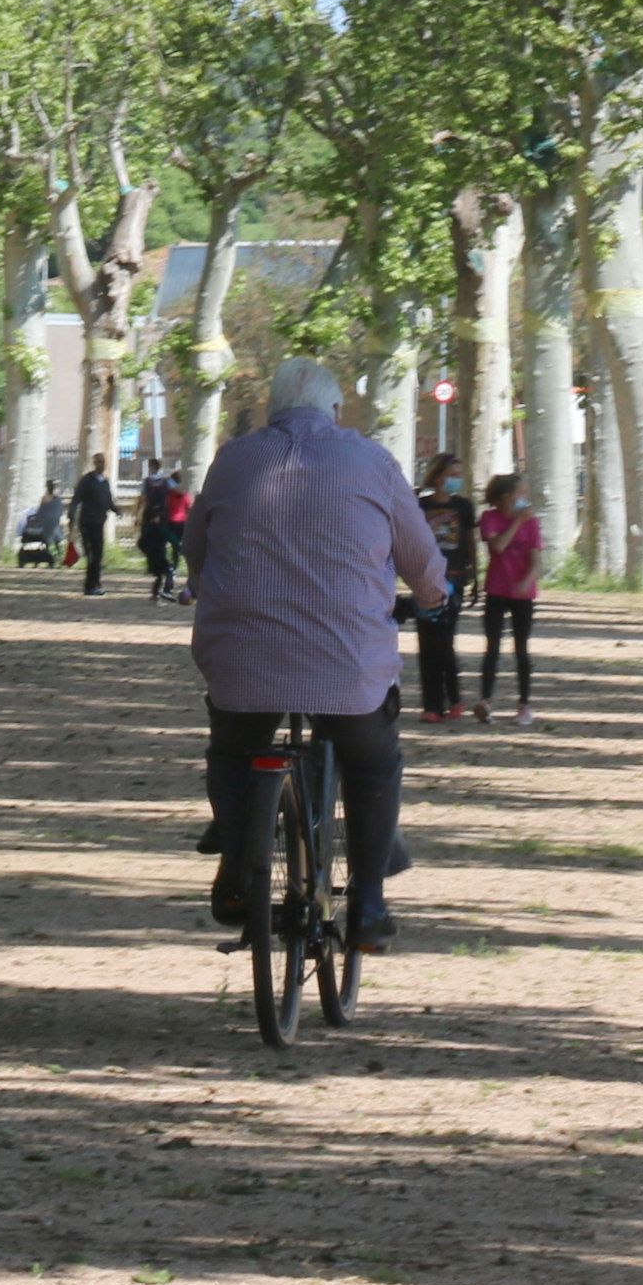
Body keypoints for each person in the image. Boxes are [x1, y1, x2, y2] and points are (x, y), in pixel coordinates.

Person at [188, 357, 448, 955]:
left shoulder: (233, 460)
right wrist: (435, 598)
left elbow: (197, 552)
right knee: (372, 763)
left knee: (232, 749)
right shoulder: (373, 462)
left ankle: (234, 868)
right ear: (336, 411)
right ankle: (370, 905)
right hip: (347, 666)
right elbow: (422, 563)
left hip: (243, 662)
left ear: (274, 411)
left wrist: (210, 588)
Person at [409, 453, 476, 720]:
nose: (456, 480)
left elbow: (470, 541)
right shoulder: (419, 506)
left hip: (455, 577)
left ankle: (454, 698)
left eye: (459, 475)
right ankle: (431, 705)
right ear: (437, 476)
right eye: (452, 475)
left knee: (445, 639)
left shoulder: (464, 506)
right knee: (426, 640)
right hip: (425, 579)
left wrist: (474, 575)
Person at [474, 473, 544, 726]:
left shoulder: (532, 523)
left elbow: (537, 560)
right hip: (496, 591)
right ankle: (486, 701)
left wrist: (527, 580)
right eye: (521, 494)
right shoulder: (489, 518)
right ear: (506, 496)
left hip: (522, 595)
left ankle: (524, 704)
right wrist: (516, 522)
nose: (525, 499)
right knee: (492, 647)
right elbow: (498, 547)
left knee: (521, 648)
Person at [136, 463, 192, 601]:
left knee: (159, 567)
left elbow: (140, 543)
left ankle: (156, 590)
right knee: (167, 566)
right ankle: (166, 588)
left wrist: (137, 515)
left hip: (155, 538)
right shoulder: (168, 485)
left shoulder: (148, 484)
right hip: (168, 529)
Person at [72, 450, 118, 596]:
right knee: (90, 554)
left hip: (99, 523)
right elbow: (76, 499)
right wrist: (71, 516)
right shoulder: (86, 481)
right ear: (94, 464)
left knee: (98, 555)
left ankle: (96, 584)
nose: (101, 465)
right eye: (98, 462)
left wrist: (117, 510)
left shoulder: (105, 482)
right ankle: (89, 585)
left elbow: (108, 501)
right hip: (86, 522)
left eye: (103, 462)